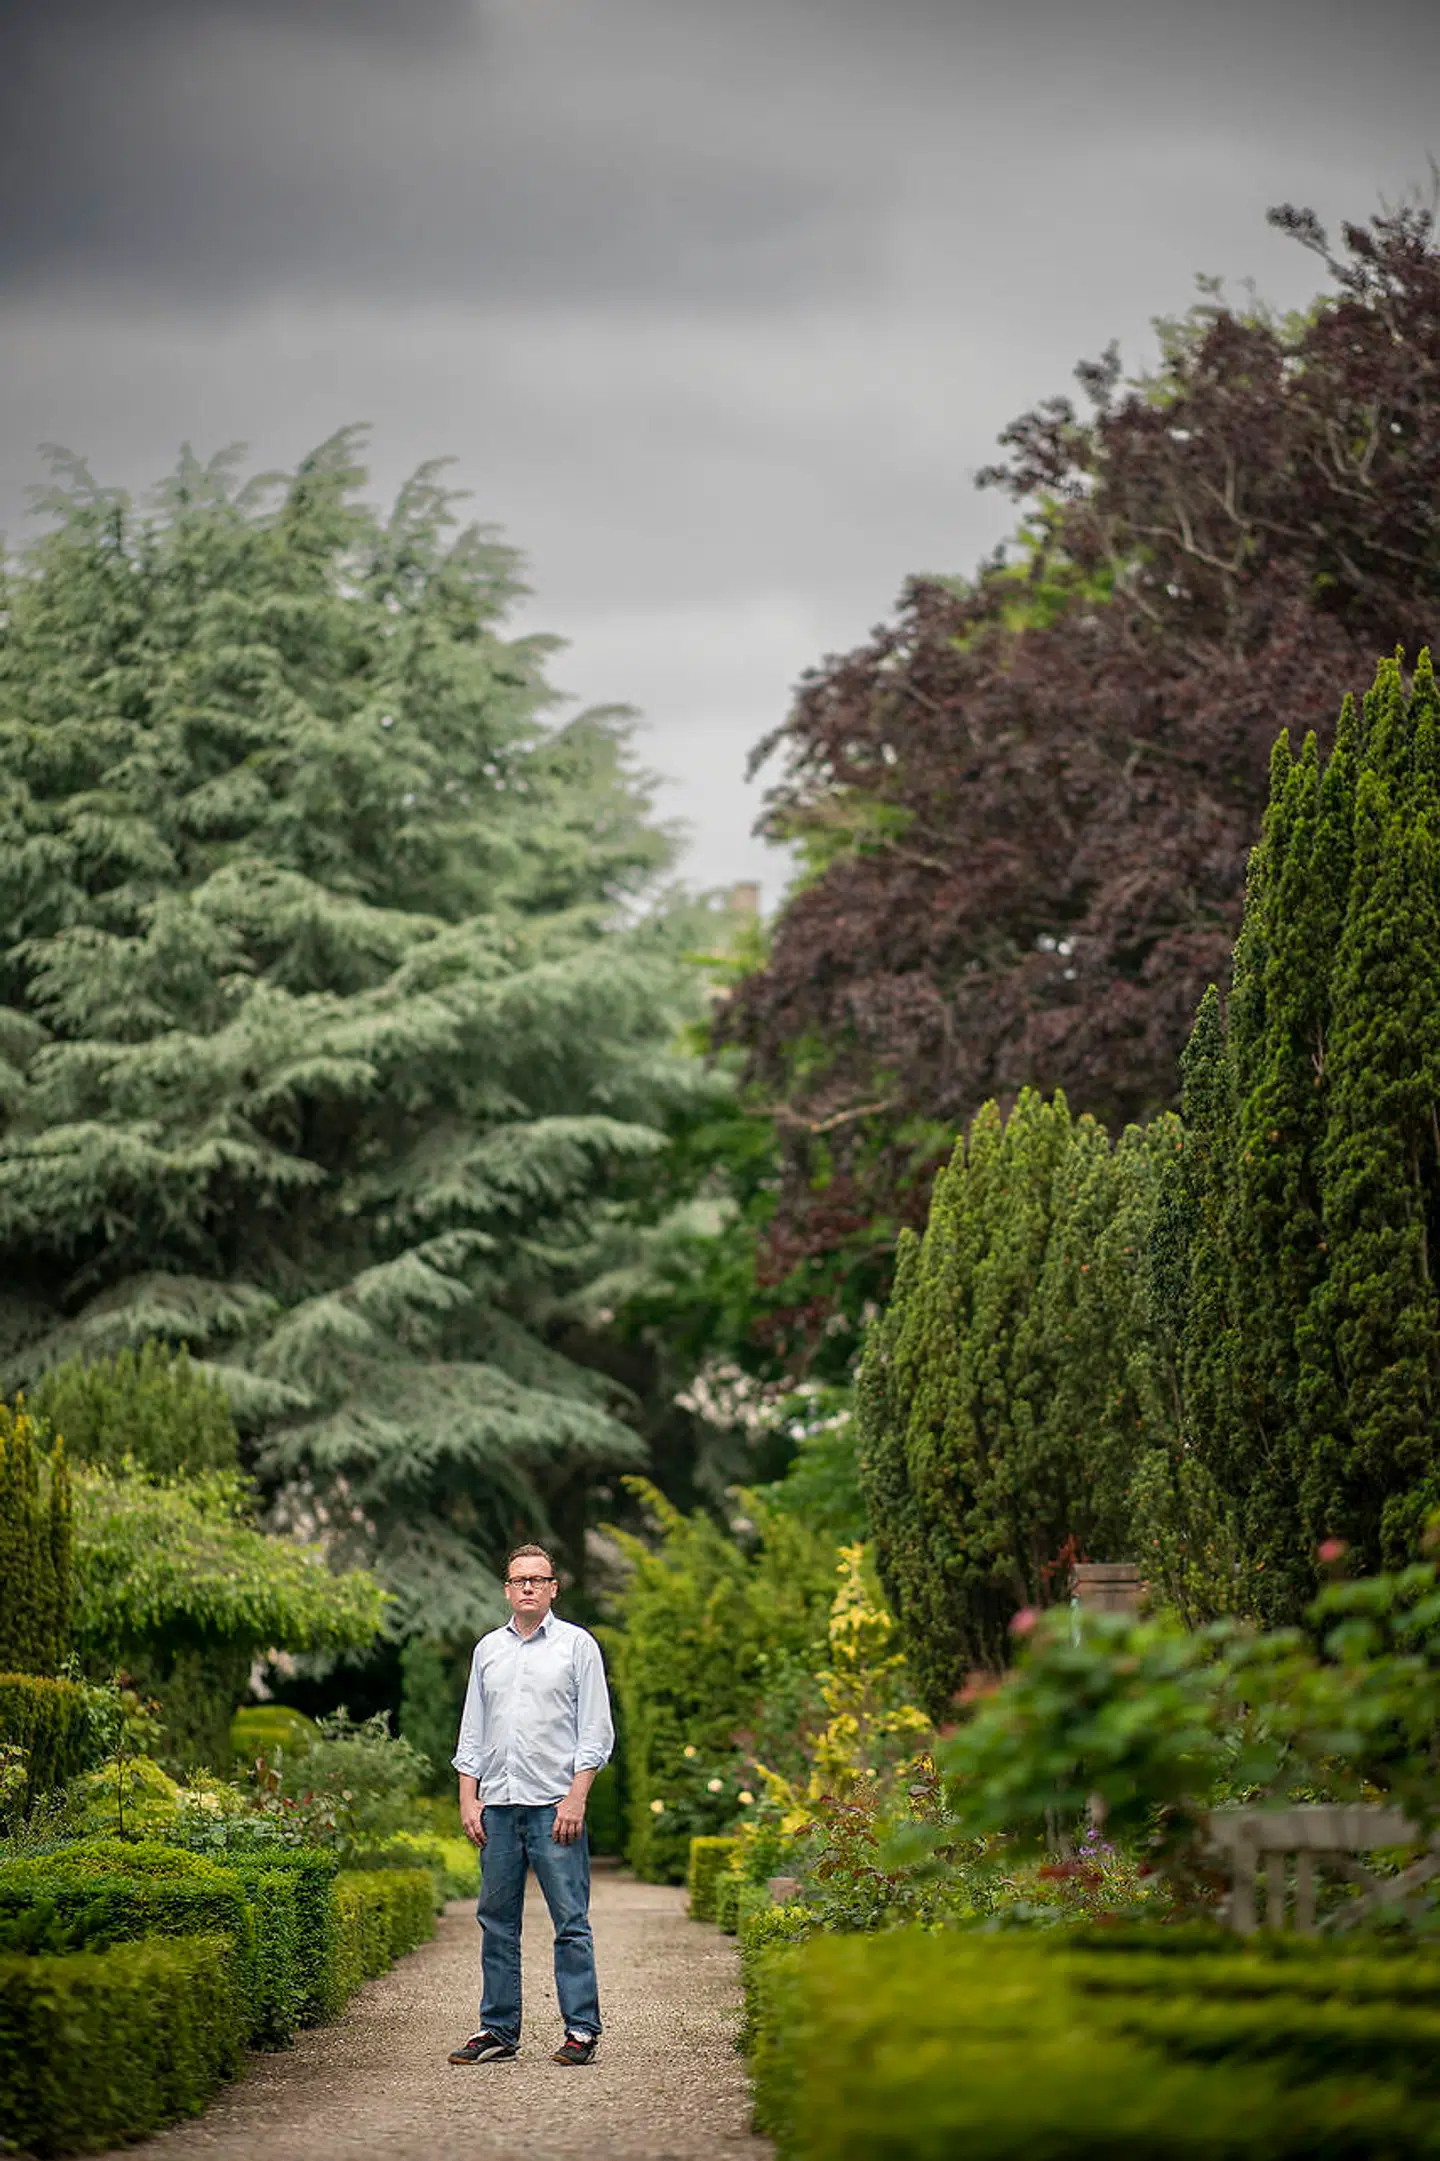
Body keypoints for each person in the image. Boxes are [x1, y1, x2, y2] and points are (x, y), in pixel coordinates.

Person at [447, 1541, 615, 2067]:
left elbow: (595, 1732)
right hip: (497, 1807)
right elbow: (472, 1732)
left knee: (570, 1922)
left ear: (552, 1589)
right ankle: (497, 2030)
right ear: (506, 1588)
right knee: (496, 1922)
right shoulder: (487, 1651)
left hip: (553, 1808)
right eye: (519, 1580)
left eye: (537, 1580)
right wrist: (468, 1801)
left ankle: (581, 2030)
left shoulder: (577, 1646)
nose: (527, 1588)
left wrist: (576, 1798)